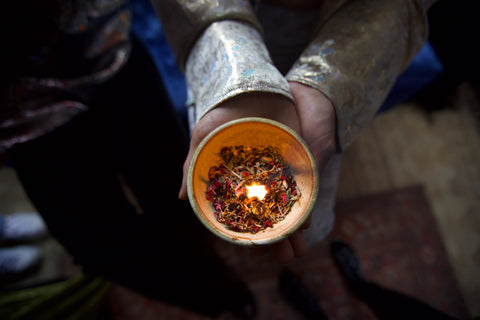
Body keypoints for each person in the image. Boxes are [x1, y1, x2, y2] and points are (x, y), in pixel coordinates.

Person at [1, 0, 436, 318]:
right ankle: (211, 297)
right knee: (102, 243)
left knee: (170, 182)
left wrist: (325, 84)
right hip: (22, 111)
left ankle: (217, 282)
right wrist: (235, 72)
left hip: (111, 53)